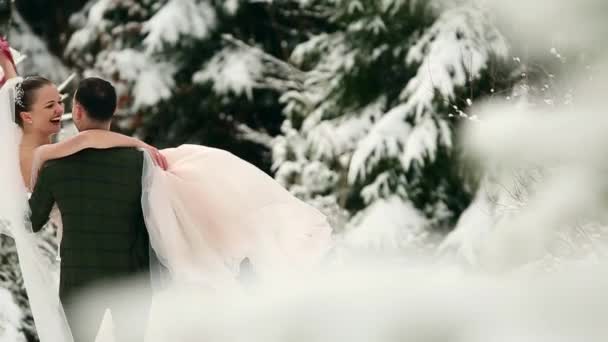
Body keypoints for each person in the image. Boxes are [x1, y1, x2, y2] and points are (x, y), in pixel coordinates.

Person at [0, 38, 333, 342]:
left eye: (60, 102)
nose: (59, 110)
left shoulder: (41, 137)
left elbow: (19, 93)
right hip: (109, 260)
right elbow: (80, 145)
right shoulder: (38, 155)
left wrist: (7, 65)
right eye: (50, 106)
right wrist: (132, 142)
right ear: (27, 118)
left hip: (89, 261)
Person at [29, 77, 153, 342]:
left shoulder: (55, 167)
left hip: (79, 281)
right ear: (112, 110)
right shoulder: (141, 162)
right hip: (131, 279)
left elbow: (32, 221)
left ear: (77, 111)